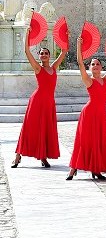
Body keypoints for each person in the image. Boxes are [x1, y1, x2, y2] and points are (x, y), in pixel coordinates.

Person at [66, 37, 106, 180]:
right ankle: (73, 168)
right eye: (93, 64)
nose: (96, 66)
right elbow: (80, 63)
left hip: (101, 115)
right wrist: (79, 45)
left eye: (98, 64)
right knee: (85, 140)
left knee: (99, 141)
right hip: (89, 114)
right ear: (90, 67)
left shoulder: (105, 79)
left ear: (101, 67)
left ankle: (96, 169)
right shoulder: (89, 80)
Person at [12, 27, 67, 168]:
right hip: (37, 101)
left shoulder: (54, 67)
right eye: (41, 54)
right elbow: (27, 52)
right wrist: (27, 36)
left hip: (49, 102)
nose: (43, 55)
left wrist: (65, 36)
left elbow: (64, 51)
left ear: (49, 56)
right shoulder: (38, 68)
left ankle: (43, 157)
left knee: (46, 128)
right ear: (39, 56)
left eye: (46, 53)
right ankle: (18, 156)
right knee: (30, 127)